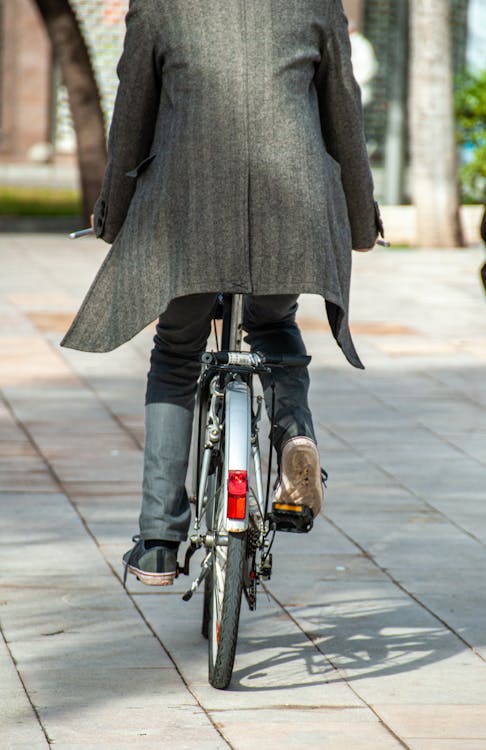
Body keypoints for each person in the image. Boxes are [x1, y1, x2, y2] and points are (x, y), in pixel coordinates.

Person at [61, 0, 383, 586]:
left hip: (187, 208)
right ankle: (295, 438)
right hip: (295, 201)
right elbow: (344, 113)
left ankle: (159, 541)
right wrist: (362, 220)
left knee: (178, 350)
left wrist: (113, 214)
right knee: (275, 327)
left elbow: (132, 112)